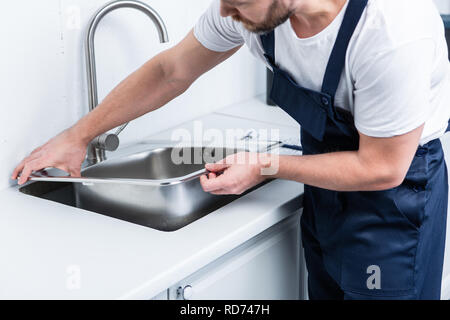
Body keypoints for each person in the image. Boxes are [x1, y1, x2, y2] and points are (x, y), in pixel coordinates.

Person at [12, 0, 450, 299]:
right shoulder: (245, 10)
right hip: (325, 184)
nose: (223, 11)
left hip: (394, 200)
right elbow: (171, 70)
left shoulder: (392, 29)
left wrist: (268, 165)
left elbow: (382, 166)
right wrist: (78, 136)